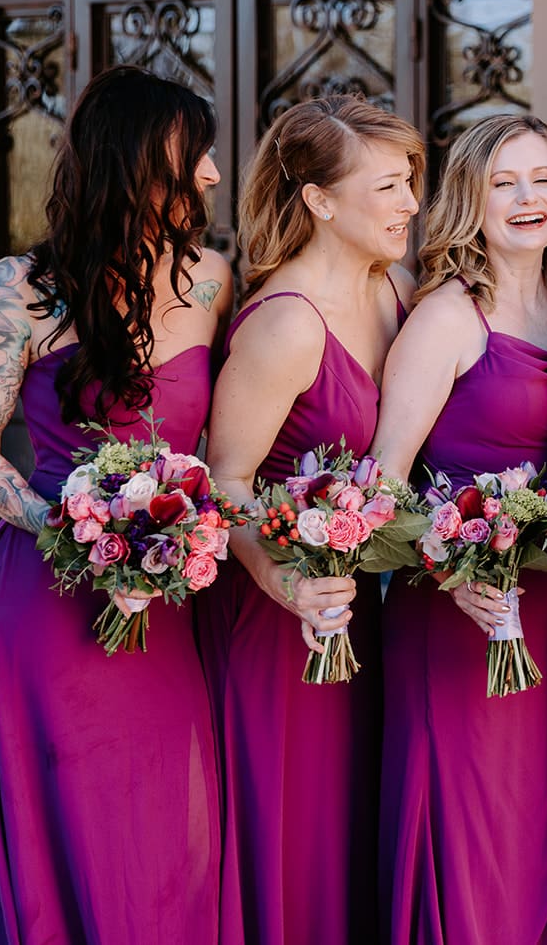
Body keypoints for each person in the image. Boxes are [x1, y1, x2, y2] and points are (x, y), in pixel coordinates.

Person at [0, 65, 231, 943]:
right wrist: (83, 532)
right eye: (197, 155)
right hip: (47, 597)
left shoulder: (214, 281)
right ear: (138, 163)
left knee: (168, 825)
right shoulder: (18, 288)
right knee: (65, 817)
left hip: (172, 598)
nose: (215, 174)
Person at [200, 95, 422, 943]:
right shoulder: (287, 324)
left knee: (356, 826)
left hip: (363, 611)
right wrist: (287, 582)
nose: (409, 203)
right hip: (283, 619)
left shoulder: (393, 290)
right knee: (298, 835)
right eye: (390, 186)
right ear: (321, 201)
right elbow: (226, 483)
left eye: (411, 183)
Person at [372, 114, 547, 943]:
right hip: (462, 616)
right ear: (471, 198)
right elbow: (383, 483)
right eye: (505, 183)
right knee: (473, 840)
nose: (529, 198)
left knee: (541, 834)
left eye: (542, 178)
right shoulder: (447, 318)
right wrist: (456, 569)